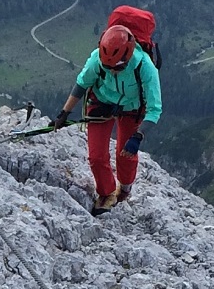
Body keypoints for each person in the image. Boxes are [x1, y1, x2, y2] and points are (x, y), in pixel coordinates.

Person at [52, 22, 162, 215]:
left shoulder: (145, 67)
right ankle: (106, 193)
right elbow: (81, 84)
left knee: (125, 153)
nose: (112, 71)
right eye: (107, 66)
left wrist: (138, 136)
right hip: (101, 101)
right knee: (96, 156)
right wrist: (64, 113)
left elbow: (154, 109)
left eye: (117, 67)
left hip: (131, 108)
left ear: (128, 57)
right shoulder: (97, 59)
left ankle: (125, 188)